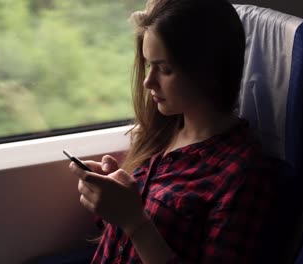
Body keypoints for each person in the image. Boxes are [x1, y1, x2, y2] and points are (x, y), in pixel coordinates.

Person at [68, 0, 276, 263]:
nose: (148, 81)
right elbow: (126, 237)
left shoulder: (242, 174)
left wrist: (135, 222)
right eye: (148, 65)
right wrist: (111, 197)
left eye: (165, 69)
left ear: (209, 70)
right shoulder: (162, 133)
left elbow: (141, 226)